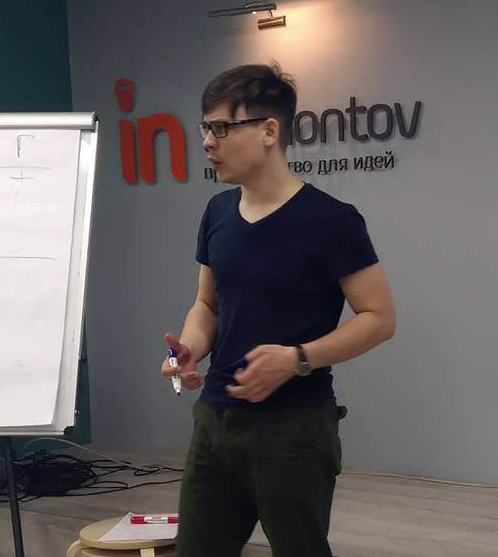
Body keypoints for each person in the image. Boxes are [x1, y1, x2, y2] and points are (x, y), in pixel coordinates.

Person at [160, 63, 396, 557]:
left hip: (293, 429)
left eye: (222, 128)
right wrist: (191, 349)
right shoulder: (217, 212)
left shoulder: (332, 221)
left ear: (269, 130)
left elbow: (379, 319)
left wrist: (297, 358)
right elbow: (208, 303)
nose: (208, 142)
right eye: (205, 128)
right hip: (215, 421)